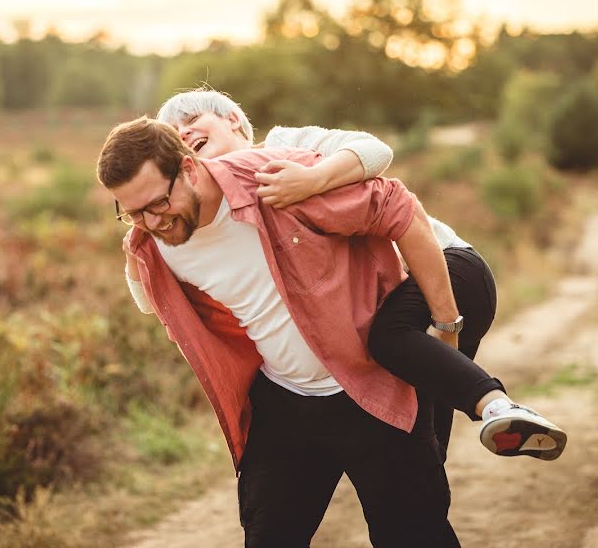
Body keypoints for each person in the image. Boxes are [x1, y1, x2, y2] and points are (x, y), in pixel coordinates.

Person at [97, 117, 553, 545]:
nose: (153, 222)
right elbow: (149, 298)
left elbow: (400, 209)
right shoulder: (151, 239)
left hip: (369, 391)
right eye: (133, 212)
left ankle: (491, 404)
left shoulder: (274, 183)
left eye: (159, 203)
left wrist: (445, 323)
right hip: (283, 406)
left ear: (190, 168)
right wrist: (136, 249)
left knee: (414, 535)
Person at [131, 89, 566, 458]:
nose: (184, 132)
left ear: (233, 120)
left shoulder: (286, 143)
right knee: (424, 444)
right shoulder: (222, 211)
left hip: (447, 266)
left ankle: (498, 405)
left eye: (192, 119)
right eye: (175, 134)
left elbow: (377, 152)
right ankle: (501, 424)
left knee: (388, 338)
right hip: (412, 298)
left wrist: (313, 179)